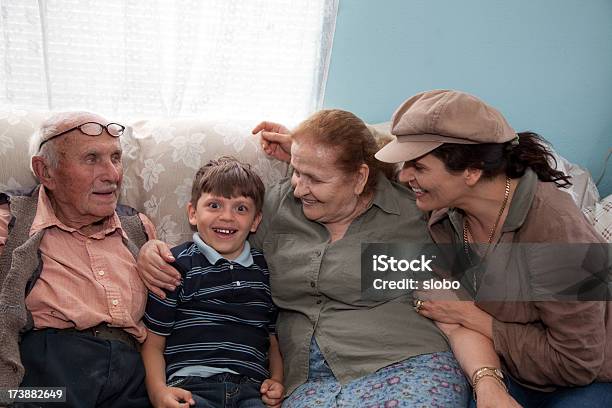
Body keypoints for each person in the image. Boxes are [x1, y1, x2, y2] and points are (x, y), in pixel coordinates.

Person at [137, 109, 529, 407]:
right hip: (306, 382)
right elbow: (213, 233)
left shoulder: (418, 214)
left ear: (360, 177)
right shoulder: (271, 207)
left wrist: (487, 382)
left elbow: (456, 310)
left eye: (315, 178)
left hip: (404, 362)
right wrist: (149, 250)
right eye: (296, 171)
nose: (299, 188)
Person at [375, 89, 612, 407]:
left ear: (471, 172)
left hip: (585, 378)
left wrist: (472, 315)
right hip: (504, 363)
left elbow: (576, 362)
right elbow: (449, 317)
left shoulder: (557, 230)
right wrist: (488, 382)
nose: (404, 177)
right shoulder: (446, 216)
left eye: (418, 167)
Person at [0, 111, 155, 407]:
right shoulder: (11, 222)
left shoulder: (139, 229)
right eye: (92, 158)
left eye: (116, 157)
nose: (113, 174)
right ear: (46, 172)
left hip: (131, 377)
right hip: (50, 378)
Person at [141, 157, 284, 408]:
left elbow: (272, 337)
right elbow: (153, 342)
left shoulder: (266, 269)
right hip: (190, 387)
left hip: (251, 389)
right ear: (193, 213)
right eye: (214, 205)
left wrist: (277, 379)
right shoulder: (175, 265)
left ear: (256, 221)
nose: (227, 217)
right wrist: (158, 392)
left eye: (241, 208)